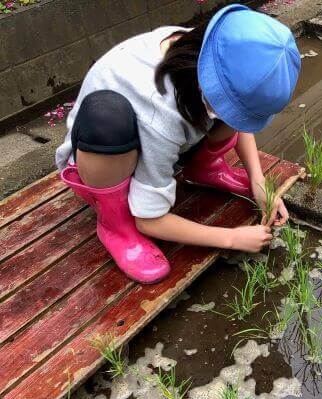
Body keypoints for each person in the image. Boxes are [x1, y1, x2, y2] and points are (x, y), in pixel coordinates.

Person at [54, 5, 301, 284]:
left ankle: (204, 167)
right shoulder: (159, 114)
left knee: (232, 109)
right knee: (107, 119)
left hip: (166, 131)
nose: (234, 119)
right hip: (103, 160)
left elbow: (239, 116)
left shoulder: (204, 50)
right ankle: (116, 225)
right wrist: (231, 237)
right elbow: (149, 219)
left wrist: (259, 181)